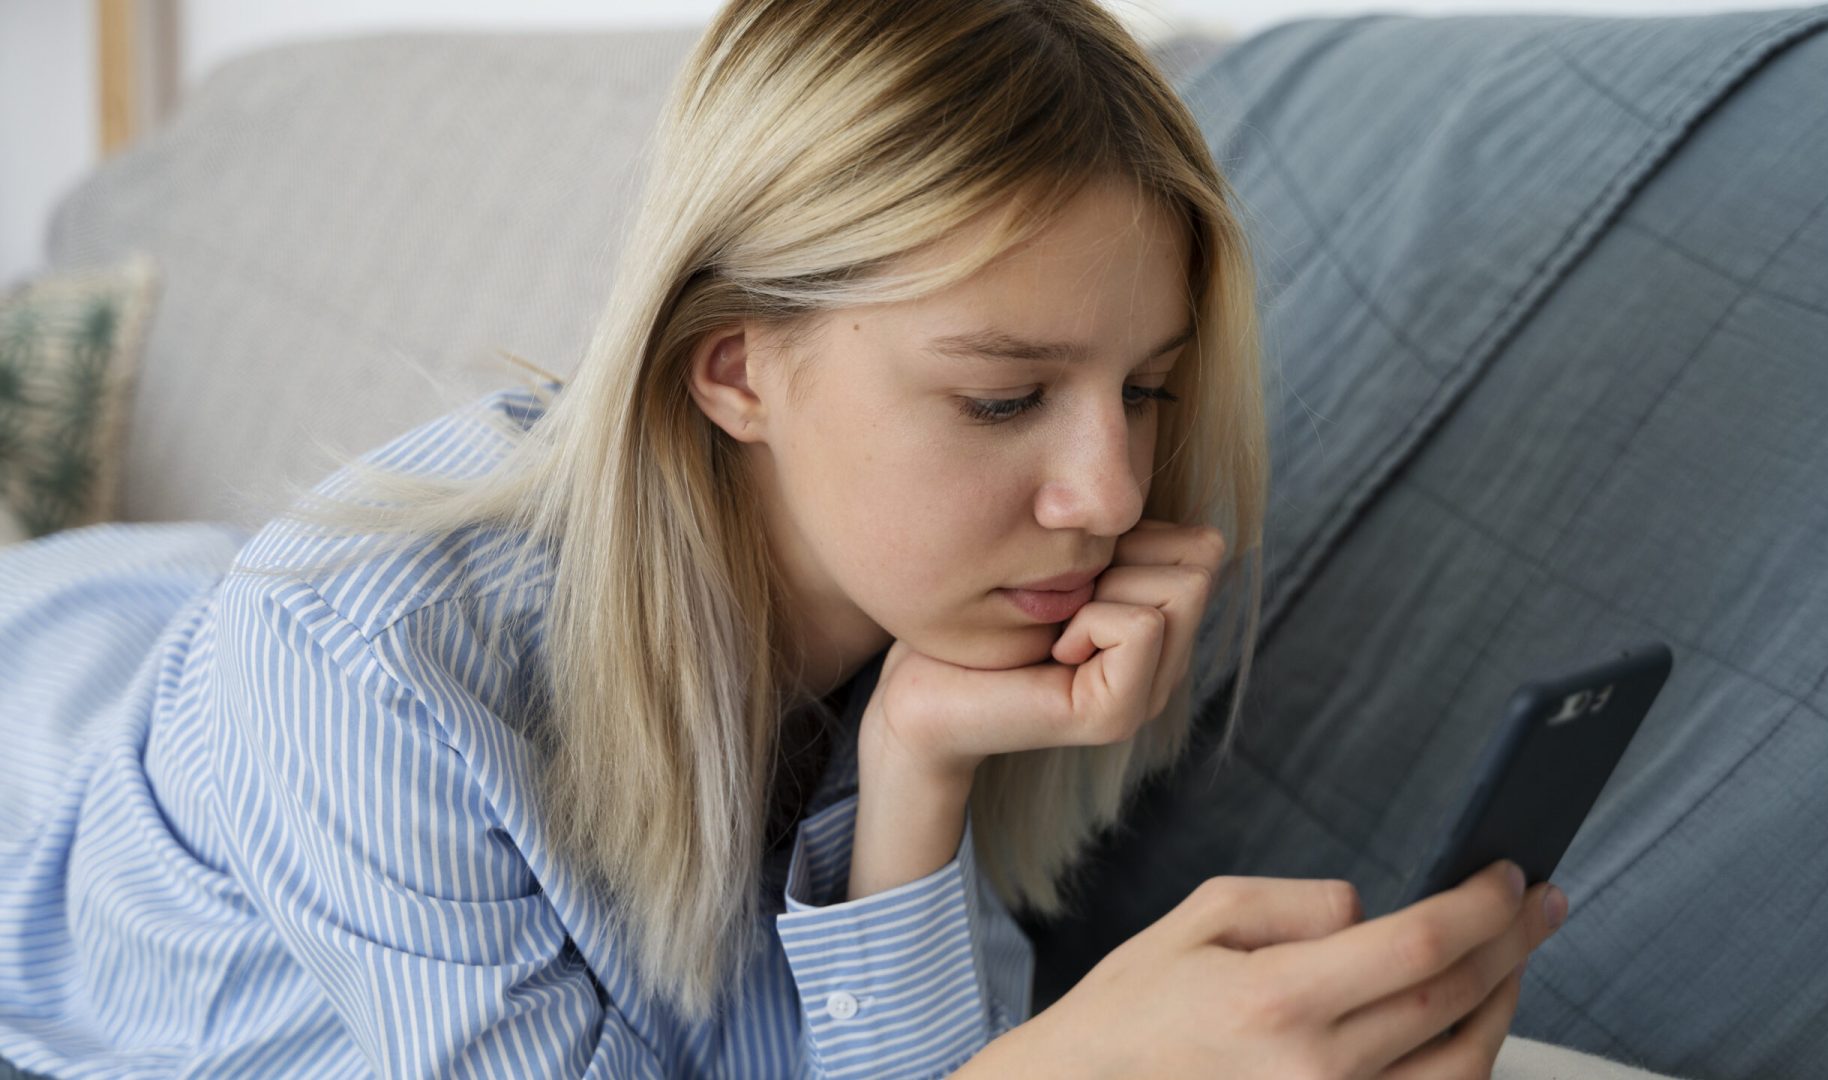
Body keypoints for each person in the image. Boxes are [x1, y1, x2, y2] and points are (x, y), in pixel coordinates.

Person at [0, 1, 1575, 1076]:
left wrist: (916, 775)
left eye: (1148, 390)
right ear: (737, 364)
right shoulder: (370, 669)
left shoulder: (940, 614)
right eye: (1005, 394)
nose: (1108, 494)